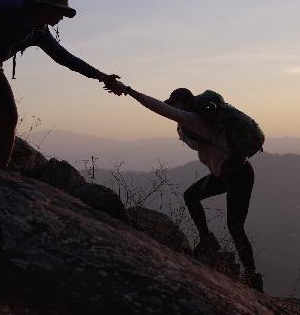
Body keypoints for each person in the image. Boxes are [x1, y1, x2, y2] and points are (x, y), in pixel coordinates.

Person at [0, 0, 122, 169]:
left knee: (9, 117)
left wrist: (101, 76)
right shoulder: (13, 5)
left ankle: (1, 171)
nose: (61, 17)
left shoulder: (39, 32)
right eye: (59, 12)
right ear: (45, 7)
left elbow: (64, 58)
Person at [107, 82, 263, 291]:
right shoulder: (193, 121)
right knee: (191, 196)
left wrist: (129, 91)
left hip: (239, 175)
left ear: (185, 103)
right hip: (226, 173)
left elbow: (159, 108)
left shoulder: (193, 119)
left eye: (176, 104)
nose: (174, 108)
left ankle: (252, 276)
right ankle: (207, 239)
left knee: (235, 226)